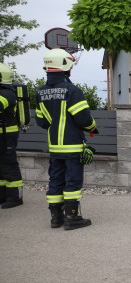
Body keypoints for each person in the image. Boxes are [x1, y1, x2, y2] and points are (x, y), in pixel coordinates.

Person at [36, 49, 98, 230]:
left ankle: (56, 218)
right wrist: (92, 127)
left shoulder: (41, 92)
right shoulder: (72, 91)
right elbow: (84, 119)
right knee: (72, 181)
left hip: (54, 147)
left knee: (55, 179)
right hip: (72, 147)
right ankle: (72, 218)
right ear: (66, 66)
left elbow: (41, 122)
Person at [0, 62, 24, 209]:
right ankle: (3, 195)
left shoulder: (6, 93)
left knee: (9, 164)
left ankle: (15, 197)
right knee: (1, 165)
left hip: (7, 134)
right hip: (2, 134)